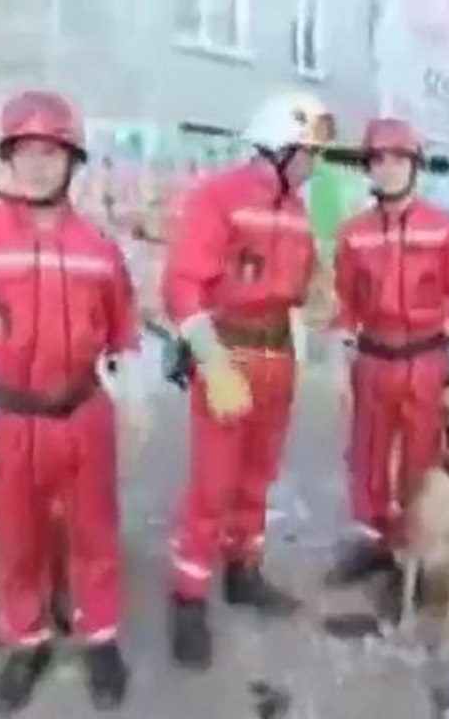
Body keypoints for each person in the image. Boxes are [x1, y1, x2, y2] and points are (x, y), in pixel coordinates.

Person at [0, 90, 150, 715]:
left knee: (95, 535)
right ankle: (25, 641)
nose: (39, 164)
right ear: (8, 157)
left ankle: (99, 636)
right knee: (17, 540)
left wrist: (135, 402)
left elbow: (124, 330)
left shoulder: (99, 249)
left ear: (73, 159)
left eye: (52, 151)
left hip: (83, 415)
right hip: (9, 419)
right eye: (26, 151)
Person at [161, 90, 335, 670]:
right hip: (228, 355)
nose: (315, 164)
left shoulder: (295, 209)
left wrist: (317, 306)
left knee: (257, 478)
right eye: (308, 152)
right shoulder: (218, 198)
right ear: (279, 148)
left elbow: (304, 286)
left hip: (276, 357)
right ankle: (187, 598)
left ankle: (243, 571)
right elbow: (183, 285)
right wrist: (210, 360)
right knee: (213, 484)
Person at [323, 117, 449, 597]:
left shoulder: (444, 228)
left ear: (415, 165)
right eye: (377, 160)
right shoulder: (353, 233)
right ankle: (375, 543)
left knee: (422, 459)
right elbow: (344, 306)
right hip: (373, 361)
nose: (387, 169)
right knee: (368, 456)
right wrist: (336, 367)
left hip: (427, 361)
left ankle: (414, 553)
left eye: (398, 159)